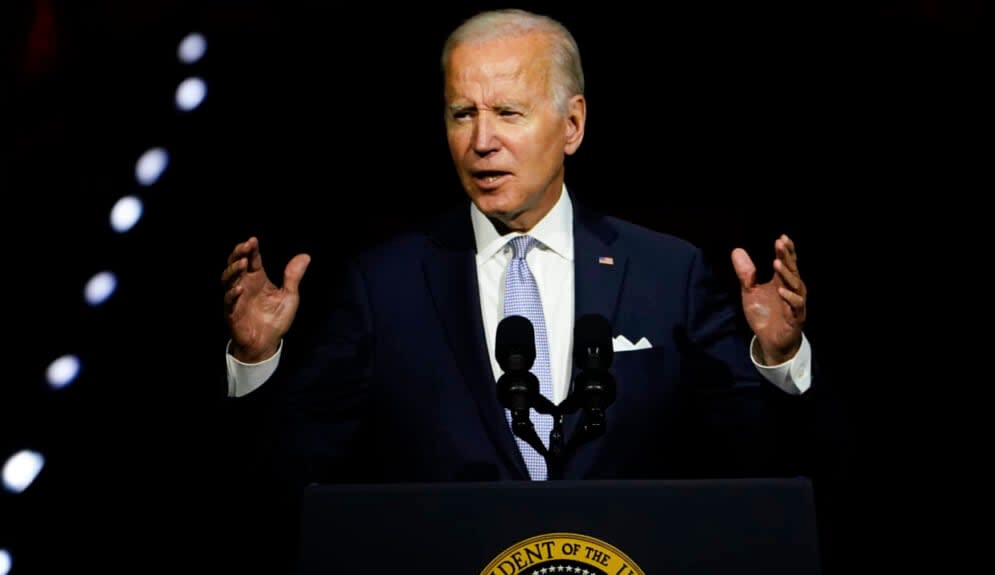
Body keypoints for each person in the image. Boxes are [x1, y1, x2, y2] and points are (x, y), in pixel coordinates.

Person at [218, 6, 841, 571]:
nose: (481, 141)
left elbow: (763, 471)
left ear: (571, 125)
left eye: (508, 113)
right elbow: (287, 484)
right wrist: (255, 361)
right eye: (463, 113)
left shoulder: (667, 273)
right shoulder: (384, 284)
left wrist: (783, 361)